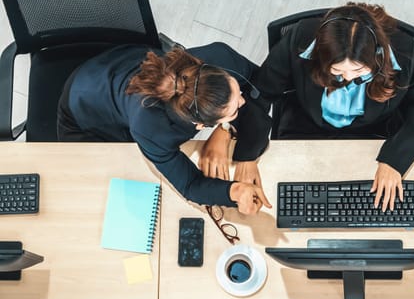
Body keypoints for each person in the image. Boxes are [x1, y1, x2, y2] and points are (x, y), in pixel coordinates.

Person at [244, 2, 414, 211]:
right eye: (338, 71)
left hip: (376, 134)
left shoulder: (405, 51)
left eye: (358, 70)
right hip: (306, 128)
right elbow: (260, 92)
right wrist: (247, 154)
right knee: (284, 198)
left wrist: (395, 159)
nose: (348, 78)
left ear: (376, 55)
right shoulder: (300, 39)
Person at [57, 42, 272, 215]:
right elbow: (189, 184)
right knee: (97, 189)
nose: (244, 102)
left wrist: (225, 130)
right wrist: (234, 191)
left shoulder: (221, 58)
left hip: (122, 63)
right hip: (84, 108)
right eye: (234, 110)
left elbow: (261, 89)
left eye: (236, 88)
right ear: (200, 125)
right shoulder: (152, 130)